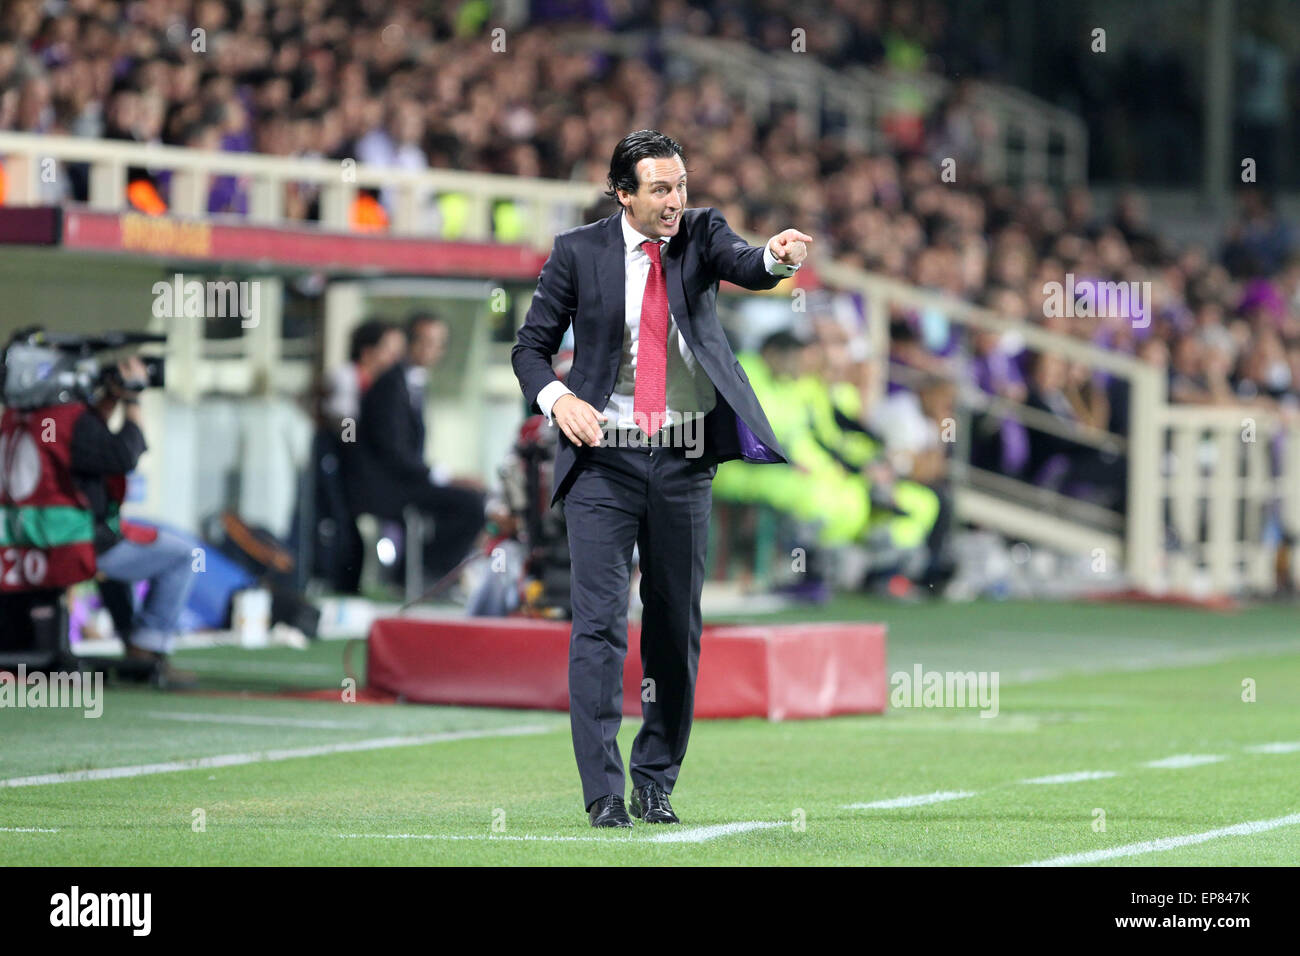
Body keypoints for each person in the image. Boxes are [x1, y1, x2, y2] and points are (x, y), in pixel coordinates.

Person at [512, 129, 810, 827]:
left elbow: (745, 262)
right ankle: (604, 793)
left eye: (681, 186)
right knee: (599, 626)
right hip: (603, 462)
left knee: (674, 628)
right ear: (623, 193)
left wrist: (774, 255)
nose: (676, 200)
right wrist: (560, 400)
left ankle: (655, 779)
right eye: (660, 189)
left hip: (682, 461)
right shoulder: (576, 252)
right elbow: (530, 348)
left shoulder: (701, 233)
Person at [74, 357, 198, 682]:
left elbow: (93, 434)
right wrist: (132, 398)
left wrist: (113, 395)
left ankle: (136, 649)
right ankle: (145, 649)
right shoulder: (72, 425)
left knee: (123, 560)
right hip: (83, 541)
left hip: (74, 534)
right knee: (184, 555)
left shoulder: (50, 424)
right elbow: (126, 453)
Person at [350, 313, 486, 584]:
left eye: (439, 343)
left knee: (473, 498)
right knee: (470, 505)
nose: (435, 350)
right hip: (388, 486)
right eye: (428, 342)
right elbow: (393, 452)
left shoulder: (410, 382)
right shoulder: (390, 384)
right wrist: (445, 476)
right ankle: (424, 575)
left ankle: (422, 572)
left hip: (404, 480)